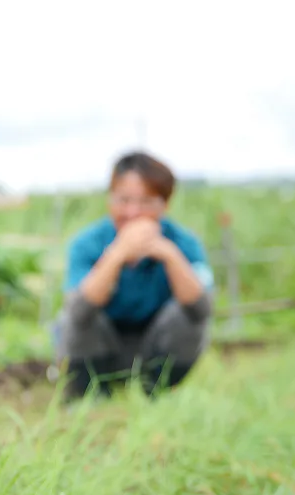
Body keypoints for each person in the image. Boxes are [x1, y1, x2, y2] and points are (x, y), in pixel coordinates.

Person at [55, 151, 215, 398]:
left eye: (146, 202)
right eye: (124, 200)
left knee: (187, 313)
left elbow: (202, 310)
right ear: (110, 199)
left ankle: (158, 391)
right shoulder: (87, 243)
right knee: (73, 316)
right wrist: (117, 255)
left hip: (153, 347)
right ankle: (89, 395)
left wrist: (171, 256)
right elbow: (78, 311)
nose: (133, 212)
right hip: (101, 347)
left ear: (165, 204)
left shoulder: (184, 243)